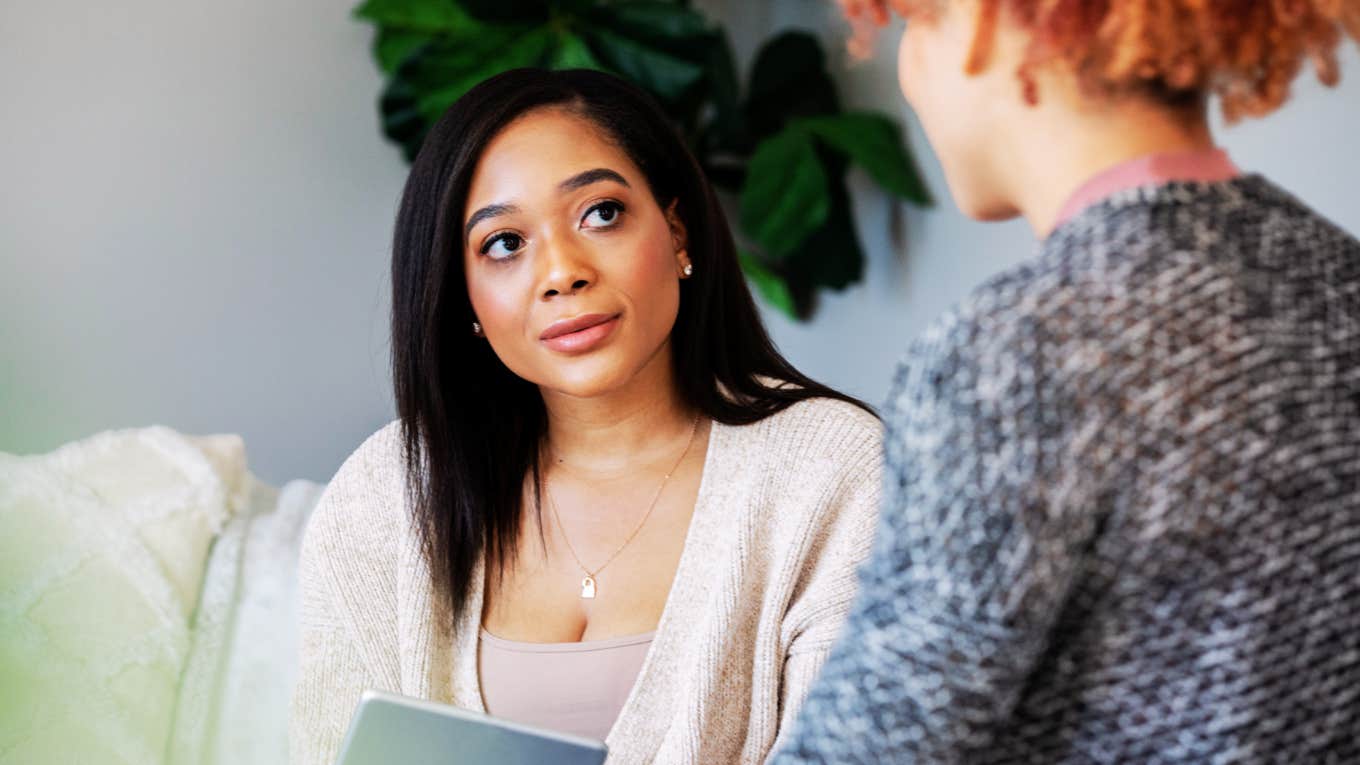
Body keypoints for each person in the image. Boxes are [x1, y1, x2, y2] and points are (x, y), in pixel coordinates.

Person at [775, 0, 1360, 761]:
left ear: (991, 21)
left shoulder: (1013, 352)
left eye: (917, 22)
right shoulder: (1340, 278)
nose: (905, 67)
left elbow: (873, 745)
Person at [288, 68, 883, 765]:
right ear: (465, 299)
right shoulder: (386, 495)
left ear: (677, 230)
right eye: (504, 244)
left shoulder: (830, 471)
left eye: (600, 212)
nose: (561, 271)